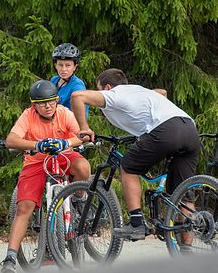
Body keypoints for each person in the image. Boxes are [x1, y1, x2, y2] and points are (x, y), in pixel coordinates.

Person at [70, 68, 200, 241]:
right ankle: (186, 249)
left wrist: (84, 128)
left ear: (107, 87)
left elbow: (77, 96)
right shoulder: (138, 91)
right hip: (189, 129)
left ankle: (136, 223)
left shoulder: (114, 94)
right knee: (183, 191)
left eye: (99, 89)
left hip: (166, 131)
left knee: (129, 166)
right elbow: (162, 92)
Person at [0, 80, 88, 273]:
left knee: (83, 165)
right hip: (36, 162)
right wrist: (36, 145)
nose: (47, 106)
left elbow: (82, 135)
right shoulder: (28, 116)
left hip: (64, 156)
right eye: (42, 103)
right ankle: (10, 257)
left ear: (57, 101)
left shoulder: (65, 113)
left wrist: (65, 142)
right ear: (34, 105)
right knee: (24, 207)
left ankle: (79, 198)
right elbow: (11, 140)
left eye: (51, 102)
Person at [51, 43, 87, 115]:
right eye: (60, 65)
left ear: (74, 67)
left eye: (68, 65)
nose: (64, 69)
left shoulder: (78, 86)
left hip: (68, 123)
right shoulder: (54, 80)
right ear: (55, 66)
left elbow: (81, 114)